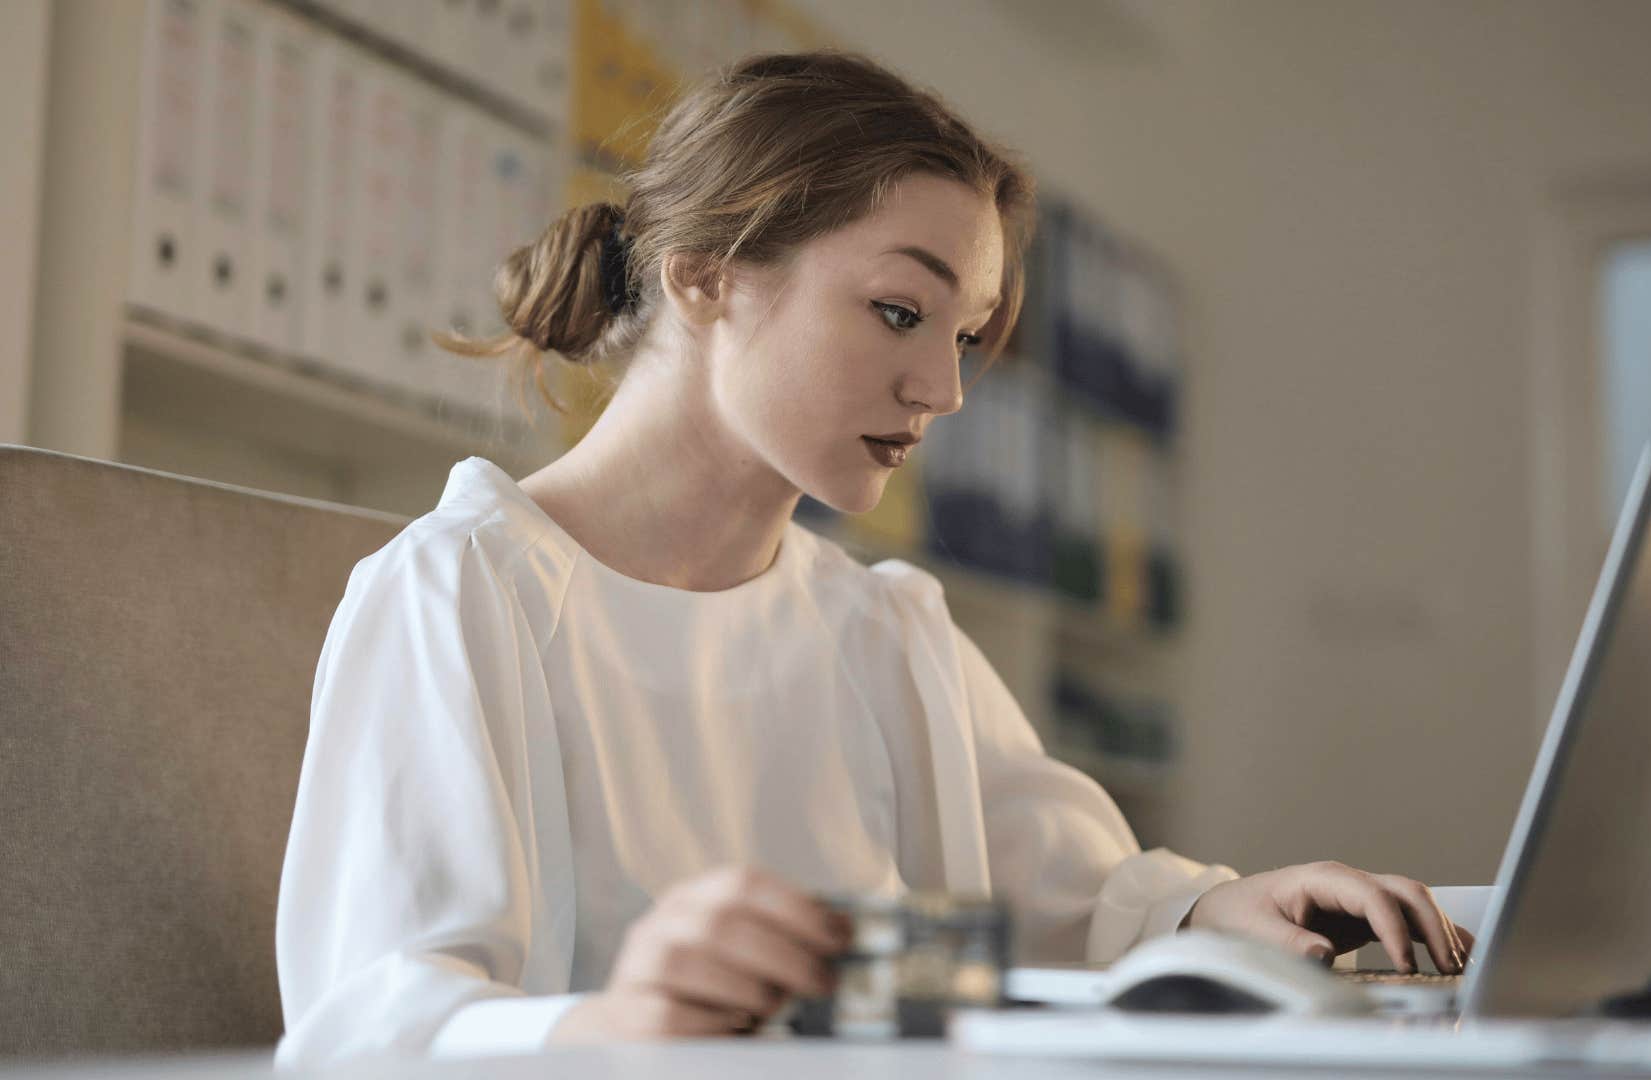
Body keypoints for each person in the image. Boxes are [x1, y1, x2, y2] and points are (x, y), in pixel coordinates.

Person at [272, 51, 1471, 1067]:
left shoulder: (883, 629)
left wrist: (1219, 909)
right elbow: (361, 1028)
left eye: (963, 337)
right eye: (901, 312)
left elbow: (1077, 901)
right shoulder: (462, 593)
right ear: (705, 275)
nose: (943, 390)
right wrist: (613, 1024)